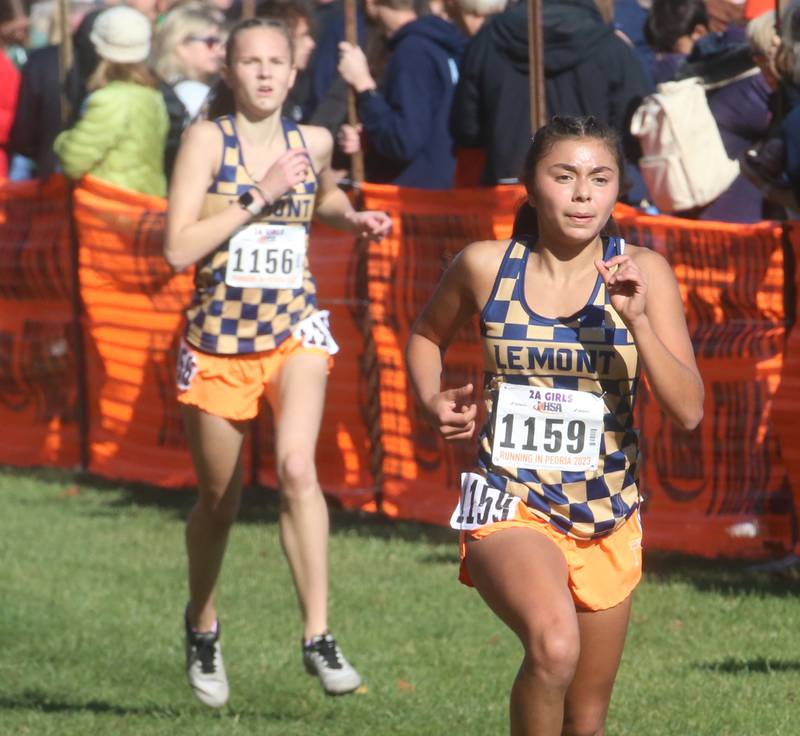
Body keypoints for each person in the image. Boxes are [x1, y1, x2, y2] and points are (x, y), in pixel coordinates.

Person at [406, 115, 703, 735]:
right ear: (530, 186)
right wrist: (431, 399)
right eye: (563, 176)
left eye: (599, 178)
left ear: (618, 189)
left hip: (607, 512)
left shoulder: (645, 272)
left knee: (585, 721)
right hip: (510, 502)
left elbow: (688, 408)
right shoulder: (486, 266)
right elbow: (426, 335)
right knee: (553, 647)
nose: (581, 194)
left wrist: (638, 321)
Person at [164, 17, 392, 707]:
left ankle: (317, 635)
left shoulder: (312, 140)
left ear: (294, 73)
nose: (264, 73)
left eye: (276, 62)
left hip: (293, 330)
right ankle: (201, 620)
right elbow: (177, 248)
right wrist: (256, 194)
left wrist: (351, 216)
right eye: (250, 62)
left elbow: (319, 196)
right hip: (219, 344)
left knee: (298, 467)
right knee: (219, 501)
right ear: (228, 72)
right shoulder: (207, 139)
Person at [450, 0, 651, 188]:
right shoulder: (612, 48)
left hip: (508, 187)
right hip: (588, 193)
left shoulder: (487, 40)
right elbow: (634, 131)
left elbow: (467, 129)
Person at [337, 0, 466, 188]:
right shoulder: (441, 42)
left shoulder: (413, 50)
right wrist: (370, 139)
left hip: (413, 198)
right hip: (444, 188)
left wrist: (364, 86)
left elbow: (402, 142)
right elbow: (426, 126)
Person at [53, 6, 168, 196]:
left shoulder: (108, 100)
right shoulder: (152, 96)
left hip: (109, 209)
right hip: (144, 205)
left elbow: (72, 161)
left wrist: (62, 141)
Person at [151, 2, 226, 181]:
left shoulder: (161, 86)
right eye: (210, 42)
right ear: (181, 45)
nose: (218, 50)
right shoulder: (194, 94)